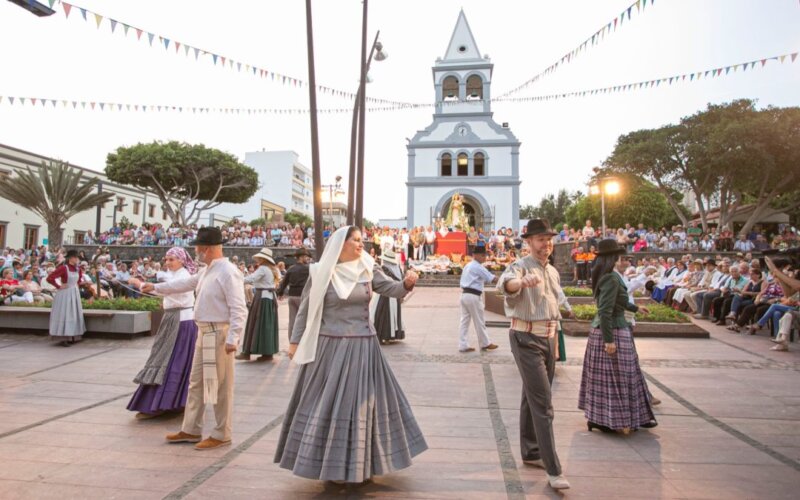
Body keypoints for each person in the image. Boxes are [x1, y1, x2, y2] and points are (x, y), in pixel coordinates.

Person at [275, 226, 427, 483]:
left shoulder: (367, 268)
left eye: (361, 240)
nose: (361, 244)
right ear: (340, 244)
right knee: (328, 404)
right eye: (355, 240)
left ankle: (361, 464)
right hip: (329, 349)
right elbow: (306, 309)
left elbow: (392, 289)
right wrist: (294, 342)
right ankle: (329, 465)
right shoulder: (322, 271)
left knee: (362, 406)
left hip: (364, 347)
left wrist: (407, 284)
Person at [141, 227, 248, 450]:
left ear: (206, 249)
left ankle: (221, 433)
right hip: (206, 331)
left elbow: (239, 307)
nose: (196, 250)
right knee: (198, 382)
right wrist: (156, 287)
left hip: (218, 332)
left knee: (220, 385)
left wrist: (233, 338)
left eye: (198, 247)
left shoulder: (227, 272)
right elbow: (185, 284)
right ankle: (191, 429)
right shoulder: (209, 270)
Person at [496, 219, 570, 490]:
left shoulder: (551, 271)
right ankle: (554, 469)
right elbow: (506, 284)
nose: (546, 245)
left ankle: (531, 451)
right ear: (528, 242)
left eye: (549, 239)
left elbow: (555, 301)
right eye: (540, 240)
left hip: (548, 338)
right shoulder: (520, 266)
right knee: (543, 404)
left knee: (532, 395)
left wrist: (557, 336)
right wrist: (521, 284)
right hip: (525, 338)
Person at [578, 239, 656, 434]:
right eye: (621, 257)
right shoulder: (611, 278)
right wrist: (609, 341)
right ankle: (611, 419)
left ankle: (614, 417)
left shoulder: (611, 276)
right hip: (612, 330)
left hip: (612, 329)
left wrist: (636, 307)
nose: (624, 260)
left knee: (612, 378)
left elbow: (618, 302)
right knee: (619, 378)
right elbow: (605, 311)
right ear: (613, 257)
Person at [127, 248, 199, 419]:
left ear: (181, 260)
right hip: (173, 319)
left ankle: (165, 402)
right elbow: (165, 287)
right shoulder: (174, 275)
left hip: (182, 321)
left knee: (170, 360)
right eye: (166, 259)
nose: (168, 262)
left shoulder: (184, 276)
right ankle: (169, 402)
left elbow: (170, 288)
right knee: (165, 358)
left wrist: (140, 284)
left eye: (172, 259)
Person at [237, 248, 280, 361]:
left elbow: (251, 278)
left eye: (260, 258)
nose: (258, 260)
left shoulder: (263, 268)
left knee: (255, 323)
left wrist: (236, 278)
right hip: (269, 298)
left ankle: (248, 352)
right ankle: (267, 352)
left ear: (263, 259)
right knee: (266, 325)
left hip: (262, 298)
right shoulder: (273, 269)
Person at [457, 245, 499, 353]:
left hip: (464, 294)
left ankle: (463, 344)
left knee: (464, 321)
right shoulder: (478, 267)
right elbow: (492, 278)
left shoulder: (468, 265)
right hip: (473, 296)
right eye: (483, 255)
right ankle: (485, 343)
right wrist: (505, 280)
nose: (484, 257)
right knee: (479, 320)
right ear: (476, 255)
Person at [46, 250, 86, 346]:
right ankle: (63, 336)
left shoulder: (78, 269)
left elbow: (79, 281)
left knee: (74, 313)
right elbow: (50, 278)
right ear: (70, 258)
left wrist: (84, 284)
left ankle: (73, 335)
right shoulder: (64, 268)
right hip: (65, 293)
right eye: (75, 257)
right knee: (65, 312)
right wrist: (58, 286)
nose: (77, 259)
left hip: (74, 292)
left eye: (77, 258)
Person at [371, 250, 407, 344]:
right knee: (392, 314)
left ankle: (384, 334)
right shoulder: (397, 269)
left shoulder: (384, 269)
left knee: (383, 314)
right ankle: (390, 334)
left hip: (385, 295)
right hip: (395, 295)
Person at [277, 248, 312, 343]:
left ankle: (292, 342)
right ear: (302, 257)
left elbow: (284, 282)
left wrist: (280, 293)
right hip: (303, 296)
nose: (308, 259)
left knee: (292, 321)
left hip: (292, 296)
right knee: (304, 320)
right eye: (307, 257)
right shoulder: (308, 268)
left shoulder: (291, 269)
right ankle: (302, 342)